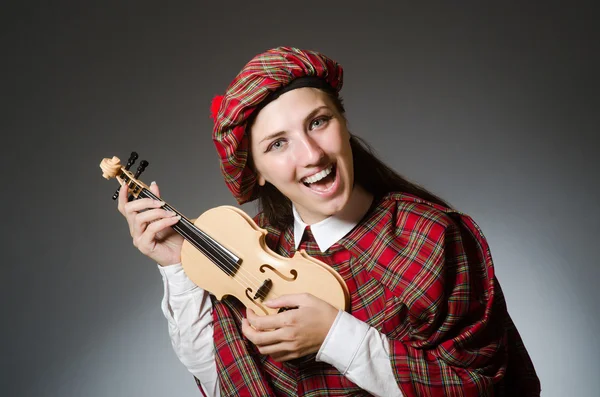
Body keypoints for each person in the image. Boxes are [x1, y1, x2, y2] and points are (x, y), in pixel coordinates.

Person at [117, 47, 541, 396]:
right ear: (258, 170)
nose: (312, 155)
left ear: (343, 122)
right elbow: (224, 379)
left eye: (317, 122)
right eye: (278, 144)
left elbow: (483, 385)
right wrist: (176, 265)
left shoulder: (431, 235)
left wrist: (335, 336)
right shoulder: (254, 246)